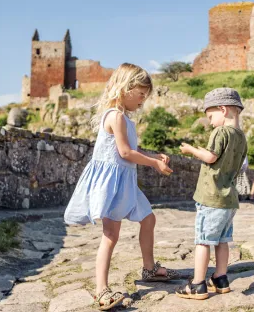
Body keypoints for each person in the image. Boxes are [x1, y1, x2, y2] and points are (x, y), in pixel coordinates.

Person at [64, 63, 179, 310]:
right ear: (125, 89)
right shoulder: (115, 116)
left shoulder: (125, 118)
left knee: (148, 219)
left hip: (125, 180)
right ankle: (101, 289)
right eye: (140, 95)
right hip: (111, 185)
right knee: (110, 236)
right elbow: (125, 152)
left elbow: (130, 152)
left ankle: (149, 269)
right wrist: (153, 164)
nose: (142, 101)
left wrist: (155, 159)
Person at [176, 88, 247, 300]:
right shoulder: (241, 137)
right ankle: (220, 278)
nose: (210, 122)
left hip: (211, 197)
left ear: (223, 110)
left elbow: (210, 156)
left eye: (211, 116)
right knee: (223, 239)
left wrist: (191, 150)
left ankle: (197, 284)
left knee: (204, 241)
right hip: (229, 199)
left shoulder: (220, 132)